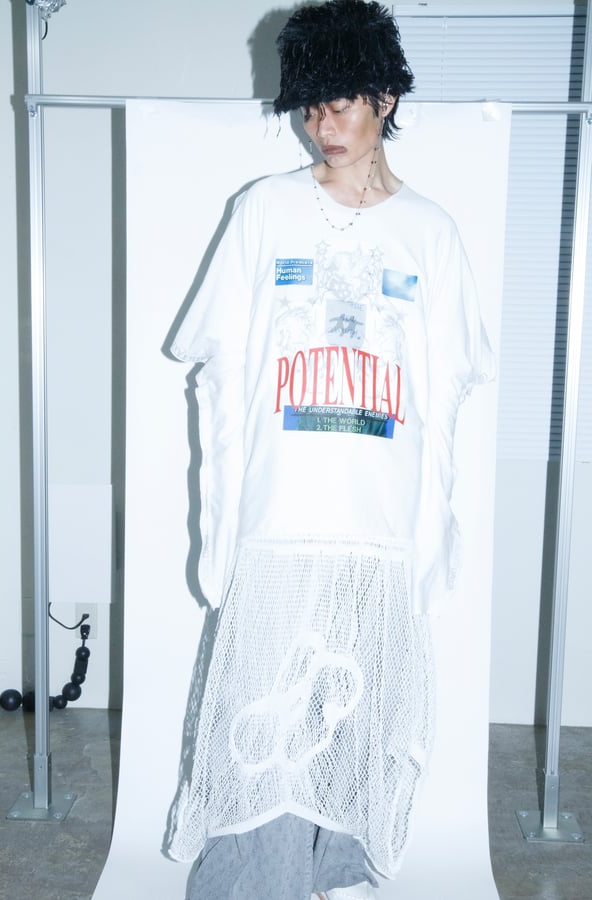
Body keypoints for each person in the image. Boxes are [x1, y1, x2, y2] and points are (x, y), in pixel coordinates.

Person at [166, 2, 493, 898]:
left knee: (351, 717)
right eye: (309, 107)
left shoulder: (429, 233)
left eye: (341, 102)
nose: (323, 125)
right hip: (282, 514)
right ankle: (255, 886)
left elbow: (446, 397)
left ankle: (327, 876)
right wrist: (220, 521)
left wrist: (431, 532)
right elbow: (219, 371)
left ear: (386, 97)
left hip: (376, 524)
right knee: (261, 721)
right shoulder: (265, 211)